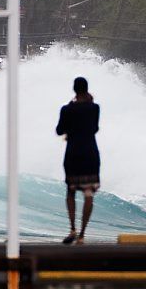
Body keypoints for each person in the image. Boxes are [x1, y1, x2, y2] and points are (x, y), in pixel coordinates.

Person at [56, 76, 100, 245]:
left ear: (74, 89)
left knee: (71, 191)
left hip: (73, 153)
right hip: (90, 153)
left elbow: (60, 131)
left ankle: (72, 228)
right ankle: (82, 234)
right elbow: (95, 128)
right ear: (86, 88)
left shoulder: (66, 109)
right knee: (88, 192)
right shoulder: (94, 108)